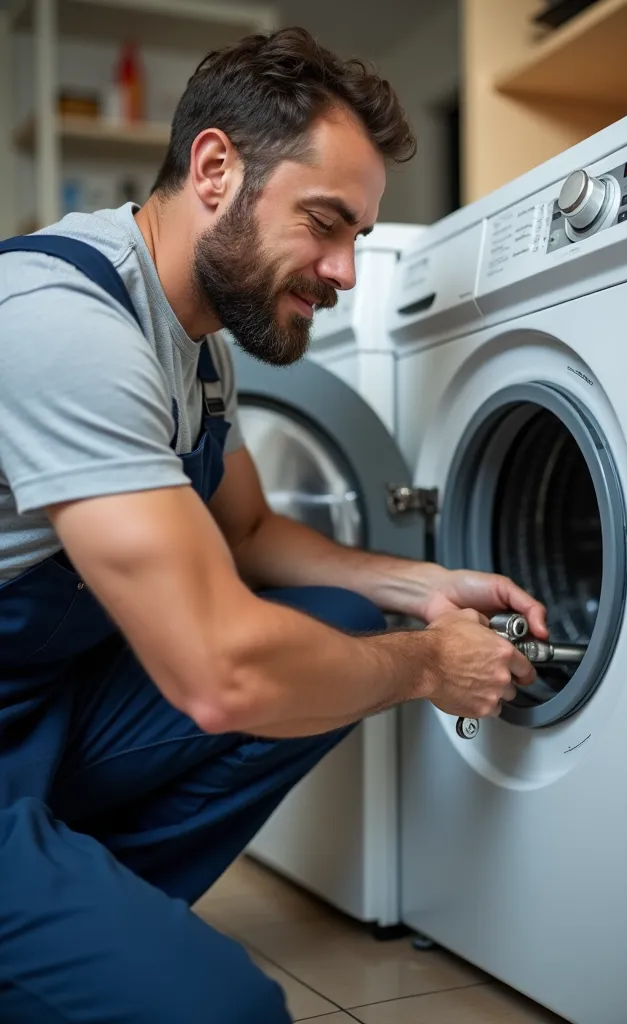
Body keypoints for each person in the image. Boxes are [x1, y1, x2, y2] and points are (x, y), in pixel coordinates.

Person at [0, 27, 547, 1023]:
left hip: (37, 715)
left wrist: (415, 586)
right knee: (227, 1012)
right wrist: (429, 663)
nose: (342, 271)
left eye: (360, 241)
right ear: (215, 169)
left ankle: (81, 915)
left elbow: (247, 531)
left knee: (338, 615)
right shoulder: (61, 324)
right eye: (326, 223)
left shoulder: (199, 341)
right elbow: (221, 675)